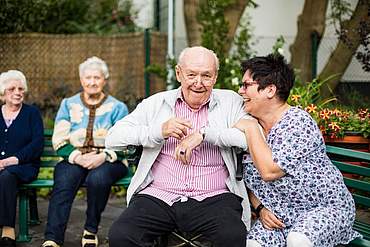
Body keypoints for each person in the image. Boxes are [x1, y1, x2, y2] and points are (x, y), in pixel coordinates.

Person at [105, 46, 252, 247]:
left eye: (206, 76)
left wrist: (205, 134)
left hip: (215, 196)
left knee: (233, 236)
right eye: (191, 74)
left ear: (215, 77)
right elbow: (113, 138)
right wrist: (159, 131)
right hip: (158, 195)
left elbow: (249, 138)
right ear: (178, 73)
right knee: (121, 235)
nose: (198, 83)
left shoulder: (231, 102)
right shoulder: (156, 104)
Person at [233, 53, 361, 247]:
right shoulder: (252, 124)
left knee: (298, 240)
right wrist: (259, 208)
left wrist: (250, 129)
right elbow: (245, 179)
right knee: (253, 245)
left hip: (324, 210)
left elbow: (269, 171)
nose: (241, 91)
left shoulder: (297, 123)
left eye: (246, 85)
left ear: (269, 90)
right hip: (280, 216)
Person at [41, 56, 129, 247]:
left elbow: (125, 141)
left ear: (104, 80)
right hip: (75, 157)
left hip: (109, 160)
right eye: (88, 78)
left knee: (98, 179)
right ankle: (53, 238)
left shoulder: (118, 107)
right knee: (64, 181)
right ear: (81, 80)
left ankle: (90, 230)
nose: (92, 82)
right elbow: (59, 139)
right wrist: (78, 157)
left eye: (97, 78)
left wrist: (102, 157)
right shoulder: (68, 104)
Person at [0, 70, 44, 247]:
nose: (17, 92)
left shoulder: (32, 113)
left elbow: (37, 144)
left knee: (6, 176)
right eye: (12, 89)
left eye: (21, 89)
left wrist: (10, 161)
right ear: (3, 92)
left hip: (25, 166)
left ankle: (7, 229)